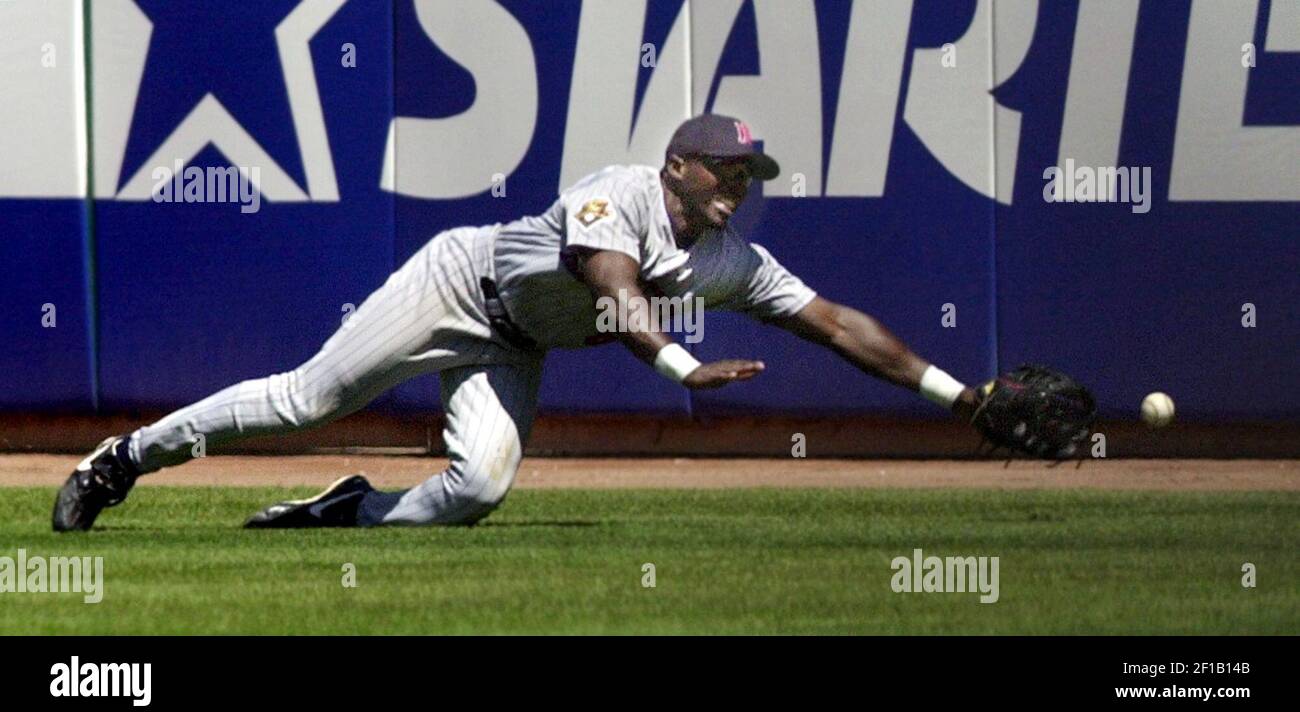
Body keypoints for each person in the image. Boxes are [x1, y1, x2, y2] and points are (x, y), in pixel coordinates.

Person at [52, 114, 978, 532]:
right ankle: (122, 459)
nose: (739, 185)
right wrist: (678, 369)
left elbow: (837, 324)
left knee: (479, 490)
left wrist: (958, 394)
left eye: (749, 174)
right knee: (306, 400)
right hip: (460, 285)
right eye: (724, 170)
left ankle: (345, 512)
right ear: (678, 170)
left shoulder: (729, 259)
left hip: (517, 341)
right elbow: (613, 286)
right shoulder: (622, 192)